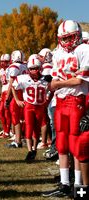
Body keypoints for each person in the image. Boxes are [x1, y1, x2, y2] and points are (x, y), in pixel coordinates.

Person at [42, 20, 89, 197]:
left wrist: (58, 84)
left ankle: (78, 186)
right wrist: (56, 85)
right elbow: (54, 81)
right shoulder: (57, 53)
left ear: (77, 35)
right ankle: (64, 183)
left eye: (69, 37)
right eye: (64, 38)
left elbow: (79, 80)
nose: (66, 41)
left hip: (76, 100)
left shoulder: (84, 50)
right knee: (61, 144)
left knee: (77, 144)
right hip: (60, 101)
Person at [12, 57, 52, 162]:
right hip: (29, 106)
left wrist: (47, 100)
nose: (34, 70)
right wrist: (17, 100)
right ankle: (30, 151)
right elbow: (13, 86)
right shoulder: (23, 78)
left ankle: (34, 149)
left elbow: (53, 89)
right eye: (32, 68)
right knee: (29, 129)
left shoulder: (46, 79)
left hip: (40, 107)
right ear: (28, 69)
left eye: (36, 68)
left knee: (37, 129)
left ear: (40, 68)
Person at [5, 50, 27, 148]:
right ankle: (22, 137)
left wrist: (7, 98)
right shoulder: (25, 66)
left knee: (15, 117)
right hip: (25, 93)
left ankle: (18, 140)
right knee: (23, 117)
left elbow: (11, 84)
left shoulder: (14, 67)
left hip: (17, 93)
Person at [0, 53, 11, 138]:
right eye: (1, 61)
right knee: (1, 113)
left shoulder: (11, 69)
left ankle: (7, 131)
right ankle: (6, 130)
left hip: (8, 93)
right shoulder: (1, 70)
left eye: (5, 61)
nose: (2, 63)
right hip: (3, 92)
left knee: (6, 113)